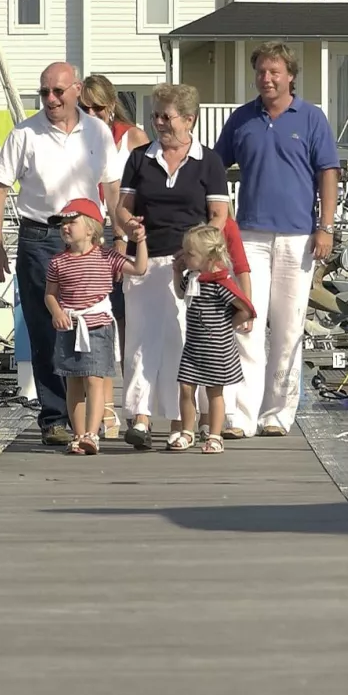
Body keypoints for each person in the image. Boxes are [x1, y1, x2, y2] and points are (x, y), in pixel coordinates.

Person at [0, 62, 119, 446]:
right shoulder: (25, 133)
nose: (51, 99)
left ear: (76, 90)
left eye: (58, 91)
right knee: (46, 328)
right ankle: (54, 417)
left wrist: (119, 235)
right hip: (40, 236)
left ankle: (89, 419)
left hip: (88, 241)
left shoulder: (98, 131)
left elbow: (110, 185)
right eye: (44, 92)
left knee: (92, 324)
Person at [112, 83, 251, 449]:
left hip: (188, 266)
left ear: (189, 119)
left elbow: (218, 215)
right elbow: (122, 208)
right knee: (140, 341)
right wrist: (129, 225)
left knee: (180, 341)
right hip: (144, 257)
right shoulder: (140, 158)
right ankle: (140, 418)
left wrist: (197, 254)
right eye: (156, 115)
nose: (159, 122)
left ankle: (180, 421)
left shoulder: (209, 162)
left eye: (166, 116)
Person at [212, 42, 340, 438]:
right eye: (261, 72)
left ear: (290, 76)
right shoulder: (242, 119)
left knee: (287, 328)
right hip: (249, 233)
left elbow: (328, 173)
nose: (266, 79)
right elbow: (216, 166)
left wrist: (327, 226)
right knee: (246, 320)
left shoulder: (313, 118)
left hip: (298, 236)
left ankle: (277, 414)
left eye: (274, 72)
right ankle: (241, 415)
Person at [44, 198, 148, 455]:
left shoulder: (107, 256)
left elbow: (139, 268)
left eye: (72, 222)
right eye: (63, 224)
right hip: (69, 325)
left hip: (98, 326)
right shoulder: (58, 262)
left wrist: (140, 240)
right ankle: (78, 434)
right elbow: (50, 294)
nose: (66, 227)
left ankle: (92, 432)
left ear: (91, 228)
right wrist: (56, 311)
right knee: (73, 381)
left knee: (95, 379)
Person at [79, 74, 150, 438]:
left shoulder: (133, 138)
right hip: (89, 232)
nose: (90, 113)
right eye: (84, 107)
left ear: (111, 107)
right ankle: (103, 411)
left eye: (97, 107)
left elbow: (146, 189)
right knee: (97, 318)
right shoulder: (77, 136)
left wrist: (125, 235)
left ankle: (135, 405)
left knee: (128, 321)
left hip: (123, 230)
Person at [169, 224, 253, 454]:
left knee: (214, 391)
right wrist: (177, 273)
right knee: (186, 387)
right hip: (194, 346)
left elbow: (245, 308)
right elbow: (180, 292)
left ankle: (215, 435)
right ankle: (188, 431)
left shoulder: (220, 283)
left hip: (217, 347)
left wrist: (228, 325)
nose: (185, 258)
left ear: (209, 256)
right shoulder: (194, 279)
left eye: (190, 254)